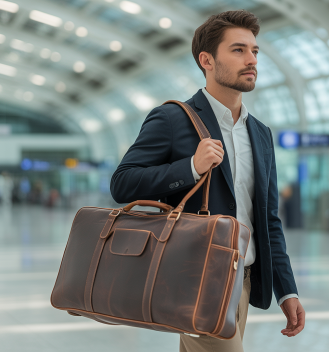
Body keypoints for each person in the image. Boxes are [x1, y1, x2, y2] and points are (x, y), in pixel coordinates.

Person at [110, 10, 305, 351]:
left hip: (243, 278)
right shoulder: (173, 119)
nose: (251, 60)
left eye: (255, 51)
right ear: (207, 60)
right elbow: (123, 183)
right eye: (238, 50)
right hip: (196, 276)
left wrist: (285, 289)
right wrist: (190, 167)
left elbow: (268, 220)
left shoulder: (261, 134)